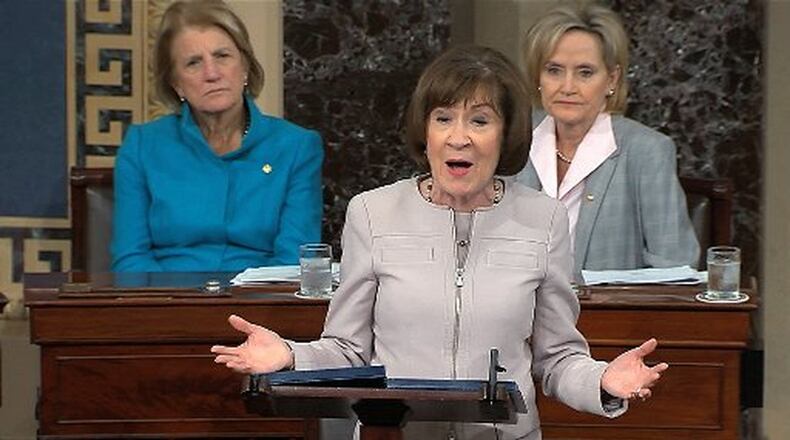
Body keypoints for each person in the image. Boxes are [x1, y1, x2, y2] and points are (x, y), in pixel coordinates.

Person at [211, 45, 668, 440]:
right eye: (443, 118)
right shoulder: (372, 213)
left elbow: (557, 359)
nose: (459, 137)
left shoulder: (543, 219)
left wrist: (603, 380)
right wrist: (289, 354)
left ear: (505, 134)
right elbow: (346, 350)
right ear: (425, 132)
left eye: (480, 120)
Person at [111, 0, 323, 272]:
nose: (211, 74)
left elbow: (294, 259)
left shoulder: (296, 147)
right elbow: (131, 259)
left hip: (261, 307)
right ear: (176, 84)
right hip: (166, 304)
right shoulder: (142, 146)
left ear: (244, 66)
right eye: (193, 63)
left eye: (222, 56)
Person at [516, 2, 699, 277]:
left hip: (609, 317)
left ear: (611, 79)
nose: (567, 87)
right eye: (554, 70)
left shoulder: (647, 152)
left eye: (585, 72)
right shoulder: (513, 139)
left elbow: (675, 269)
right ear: (538, 77)